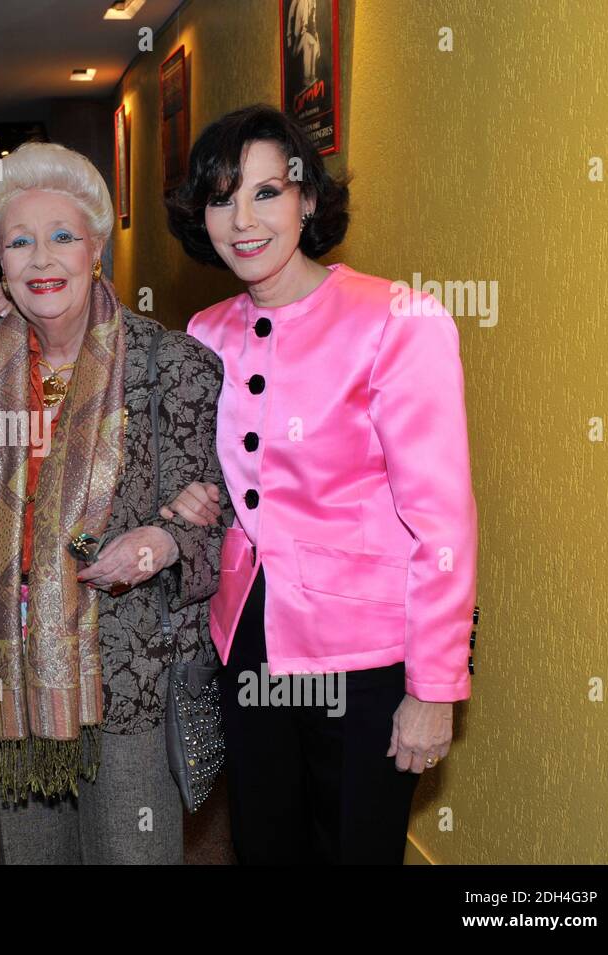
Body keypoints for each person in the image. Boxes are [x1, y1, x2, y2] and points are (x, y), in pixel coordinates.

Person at [165, 103, 478, 864]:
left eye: (266, 193)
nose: (242, 219)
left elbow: (444, 520)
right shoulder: (205, 332)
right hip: (248, 641)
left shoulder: (398, 319)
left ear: (308, 201)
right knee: (265, 843)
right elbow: (212, 470)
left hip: (367, 657)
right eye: (220, 196)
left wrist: (435, 686)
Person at [0, 142, 228, 864]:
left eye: (62, 236)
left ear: (95, 246)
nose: (41, 259)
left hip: (123, 675)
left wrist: (165, 537)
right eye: (18, 242)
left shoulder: (166, 361)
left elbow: (222, 514)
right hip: (10, 668)